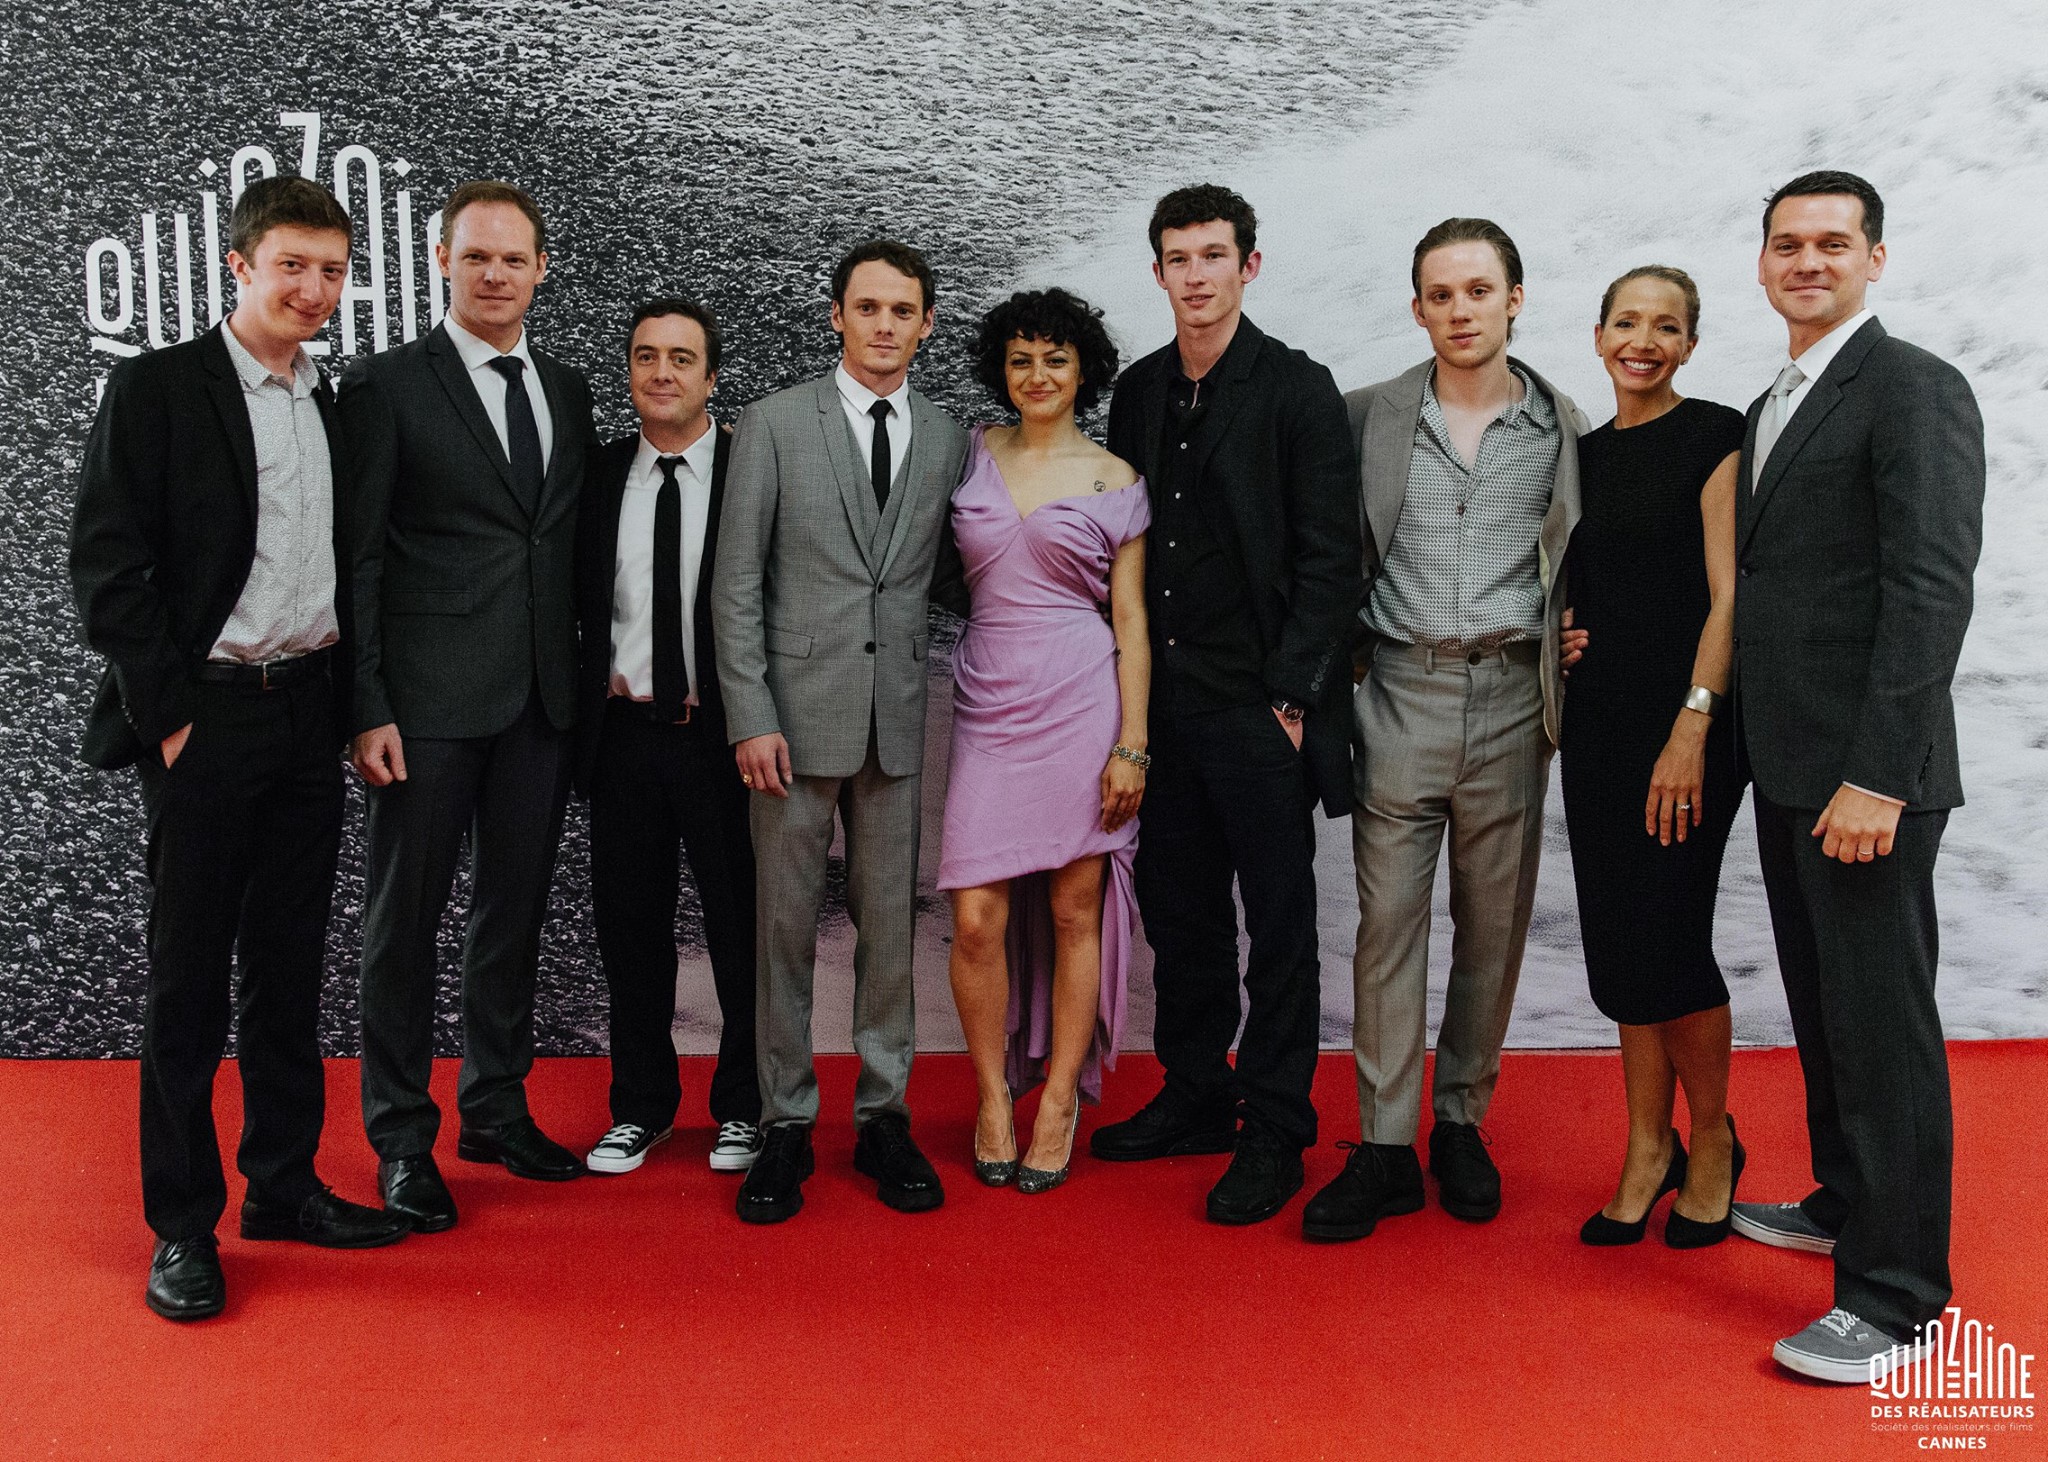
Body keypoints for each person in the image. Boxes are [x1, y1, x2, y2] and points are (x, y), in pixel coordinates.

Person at [70, 176, 410, 1321]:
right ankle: (181, 1225)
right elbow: (110, 569)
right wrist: (171, 717)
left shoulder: (340, 402)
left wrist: (353, 705)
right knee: (184, 987)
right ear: (239, 266)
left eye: (331, 270)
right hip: (204, 722)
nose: (313, 290)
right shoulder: (159, 388)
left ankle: (281, 1184)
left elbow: (353, 573)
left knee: (286, 969)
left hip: (307, 715)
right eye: (292, 268)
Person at [1726, 171, 1983, 1385]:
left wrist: (1878, 777)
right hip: (1790, 764)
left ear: (1873, 257)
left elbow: (1929, 591)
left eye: (1832, 242)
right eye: (1787, 243)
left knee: (1880, 1030)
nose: (1807, 260)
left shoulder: (1912, 386)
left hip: (1867, 780)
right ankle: (1843, 1200)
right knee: (1828, 1011)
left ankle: (1892, 1296)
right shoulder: (1772, 399)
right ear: (1762, 261)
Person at [1306, 218, 1588, 1243]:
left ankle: (1459, 1120)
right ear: (1416, 306)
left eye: (1478, 290)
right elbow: (1316, 550)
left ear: (1515, 297)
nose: (1460, 310)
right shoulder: (1361, 419)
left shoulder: (1565, 427)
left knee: (1491, 921)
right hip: (1397, 689)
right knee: (1386, 925)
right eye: (1440, 293)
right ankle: (1382, 1144)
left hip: (1513, 697)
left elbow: (1595, 557)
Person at [1091, 185, 1361, 1227]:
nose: (1194, 274)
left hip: (1258, 710)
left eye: (1213, 255)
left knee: (1279, 925)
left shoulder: (1297, 389)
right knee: (1182, 914)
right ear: (1155, 273)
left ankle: (1278, 1125)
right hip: (1160, 705)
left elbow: (1331, 561)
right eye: (1176, 257)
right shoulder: (1139, 389)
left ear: (1250, 266)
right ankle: (1197, 1091)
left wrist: (1291, 701)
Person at [341, 180, 599, 1232]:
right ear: (441, 260)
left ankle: (492, 1104)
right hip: (424, 707)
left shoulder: (570, 391)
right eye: (476, 256)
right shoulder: (386, 385)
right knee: (400, 926)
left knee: (512, 915)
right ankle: (401, 1136)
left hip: (540, 702)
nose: (495, 274)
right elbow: (353, 555)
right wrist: (364, 702)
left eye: (514, 258)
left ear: (542, 270)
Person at [712, 240, 971, 1223]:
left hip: (895, 724)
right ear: (836, 315)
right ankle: (784, 1124)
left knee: (888, 937)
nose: (883, 325)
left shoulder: (948, 439)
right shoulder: (775, 425)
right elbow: (735, 583)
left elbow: (953, 572)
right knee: (779, 933)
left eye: (902, 310)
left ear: (925, 323)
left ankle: (882, 1118)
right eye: (866, 308)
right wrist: (749, 715)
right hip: (785, 728)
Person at [940, 288, 1150, 1194]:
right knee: (976, 917)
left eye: (1056, 360)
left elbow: (1132, 621)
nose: (1038, 375)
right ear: (1003, 368)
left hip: (1080, 701)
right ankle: (992, 1094)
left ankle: (1059, 1096)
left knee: (1074, 911)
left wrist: (1132, 744)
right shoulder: (969, 455)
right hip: (988, 697)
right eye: (1022, 359)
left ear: (1082, 372)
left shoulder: (1116, 479)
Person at [1553, 266, 1747, 1248]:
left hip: (1689, 730)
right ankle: (1644, 1143)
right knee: (1620, 941)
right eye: (1625, 322)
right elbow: (1561, 588)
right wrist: (1555, 639)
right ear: (1596, 338)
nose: (1642, 339)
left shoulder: (1716, 436)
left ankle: (1709, 1139)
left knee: (1669, 937)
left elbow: (1728, 596)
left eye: (1664, 326)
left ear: (1687, 344)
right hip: (1597, 731)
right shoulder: (1574, 457)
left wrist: (1692, 723)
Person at [573, 298, 762, 1177]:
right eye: (646, 356)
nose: (662, 373)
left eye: (682, 359)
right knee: (631, 930)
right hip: (622, 738)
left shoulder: (752, 471)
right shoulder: (598, 473)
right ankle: (641, 1106)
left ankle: (743, 1108)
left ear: (712, 377)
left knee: (739, 928)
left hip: (722, 739)